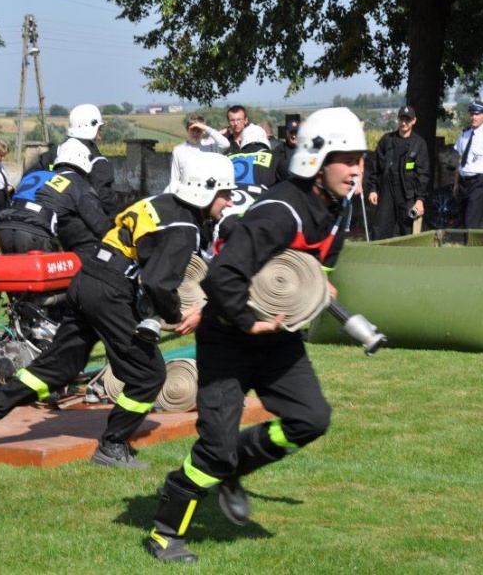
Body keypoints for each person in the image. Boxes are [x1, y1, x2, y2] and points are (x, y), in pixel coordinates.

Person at [146, 107, 360, 563]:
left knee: (311, 418)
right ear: (317, 160)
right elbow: (220, 276)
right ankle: (166, 531)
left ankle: (236, 464)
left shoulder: (337, 208)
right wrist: (248, 320)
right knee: (215, 450)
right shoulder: (281, 211)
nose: (356, 168)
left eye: (360, 158)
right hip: (229, 337)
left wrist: (318, 285)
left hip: (277, 339)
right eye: (347, 158)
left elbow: (312, 267)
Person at [0, 152, 237, 470]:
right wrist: (174, 316)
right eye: (226, 193)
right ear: (205, 188)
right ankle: (112, 447)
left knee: (59, 367)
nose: (228, 202)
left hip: (86, 279)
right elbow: (158, 283)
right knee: (149, 374)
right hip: (110, 292)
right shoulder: (184, 226)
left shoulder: (160, 203)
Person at [0, 138, 112, 257]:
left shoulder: (36, 175)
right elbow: (98, 223)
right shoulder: (73, 182)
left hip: (5, 228)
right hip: (34, 234)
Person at [25, 104, 118, 215]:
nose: (100, 137)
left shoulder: (52, 154)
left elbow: (28, 182)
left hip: (44, 217)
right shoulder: (97, 161)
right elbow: (106, 200)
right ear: (90, 127)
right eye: (99, 130)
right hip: (77, 221)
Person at [366, 105, 430, 240]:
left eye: (408, 119)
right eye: (402, 119)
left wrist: (420, 199)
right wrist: (373, 189)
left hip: (407, 194)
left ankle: (408, 260)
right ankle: (380, 259)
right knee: (379, 231)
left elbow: (423, 174)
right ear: (398, 120)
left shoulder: (419, 144)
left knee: (408, 233)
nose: (404, 123)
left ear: (414, 121)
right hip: (387, 193)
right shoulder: (387, 140)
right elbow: (375, 166)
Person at [453, 101, 483, 228]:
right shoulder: (464, 134)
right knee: (463, 216)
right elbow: (460, 160)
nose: (473, 117)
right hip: (463, 181)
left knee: (472, 218)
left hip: (479, 182)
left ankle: (471, 246)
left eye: (477, 114)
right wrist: (456, 183)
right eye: (472, 114)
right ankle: (467, 244)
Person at [165, 114, 230, 193]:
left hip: (207, 191)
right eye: (193, 130)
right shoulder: (179, 150)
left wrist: (206, 128)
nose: (195, 133)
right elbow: (174, 177)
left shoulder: (210, 146)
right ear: (187, 130)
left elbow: (225, 144)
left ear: (203, 131)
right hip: (186, 191)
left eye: (199, 130)